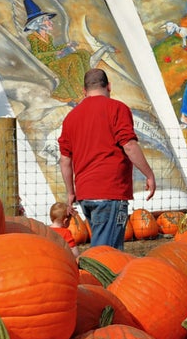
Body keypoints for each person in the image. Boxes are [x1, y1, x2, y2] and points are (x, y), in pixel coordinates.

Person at [58, 69, 157, 250]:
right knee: (106, 254)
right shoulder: (118, 109)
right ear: (109, 86)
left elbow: (65, 160)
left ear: (84, 90)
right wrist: (149, 174)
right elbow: (129, 145)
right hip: (110, 192)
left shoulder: (71, 117)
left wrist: (70, 192)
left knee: (104, 248)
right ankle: (94, 278)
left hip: (85, 195)